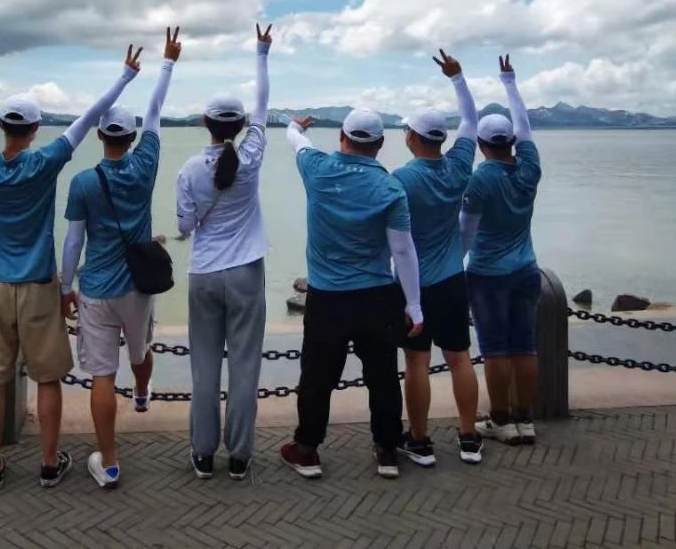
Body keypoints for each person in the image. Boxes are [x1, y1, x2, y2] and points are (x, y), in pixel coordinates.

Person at [0, 42, 143, 492]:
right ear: (37, 128)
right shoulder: (45, 162)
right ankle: (47, 463)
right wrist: (125, 75)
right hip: (40, 283)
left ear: (0, 126)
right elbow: (89, 117)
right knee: (47, 378)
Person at [60, 28, 182, 489]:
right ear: (131, 137)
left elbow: (73, 243)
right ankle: (144, 391)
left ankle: (109, 461)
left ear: (98, 136)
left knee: (101, 375)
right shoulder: (146, 164)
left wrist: (64, 287)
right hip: (138, 285)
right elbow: (155, 111)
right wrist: (167, 63)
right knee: (141, 349)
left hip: (96, 289)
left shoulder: (83, 183)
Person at [280, 109, 423, 481]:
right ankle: (387, 450)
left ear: (341, 136)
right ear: (380, 144)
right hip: (377, 296)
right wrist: (414, 304)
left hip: (327, 298)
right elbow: (402, 249)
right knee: (382, 375)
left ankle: (307, 449)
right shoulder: (390, 188)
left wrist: (294, 125)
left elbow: (297, 142)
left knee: (317, 376)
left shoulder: (318, 169)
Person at [175, 24, 273, 482]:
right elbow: (263, 108)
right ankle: (239, 455)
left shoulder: (190, 169)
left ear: (204, 122)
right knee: (245, 367)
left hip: (204, 275)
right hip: (247, 272)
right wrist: (261, 53)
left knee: (204, 367)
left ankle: (202, 453)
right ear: (240, 124)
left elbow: (184, 226)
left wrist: (193, 223)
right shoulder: (250, 158)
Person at [392, 49, 483, 467]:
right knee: (460, 357)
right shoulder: (460, 167)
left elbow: (393, 238)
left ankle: (420, 440)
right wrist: (458, 78)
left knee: (417, 363)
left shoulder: (401, 180)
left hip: (413, 285)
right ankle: (469, 437)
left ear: (412, 137)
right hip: (451, 279)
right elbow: (471, 122)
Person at [460, 55, 543, 446]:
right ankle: (526, 419)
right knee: (525, 346)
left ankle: (500, 420)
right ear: (511, 142)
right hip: (527, 269)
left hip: (488, 275)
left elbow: (466, 232)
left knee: (494, 349)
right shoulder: (530, 170)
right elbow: (524, 125)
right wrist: (509, 82)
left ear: (479, 145)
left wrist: (450, 263)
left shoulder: (479, 181)